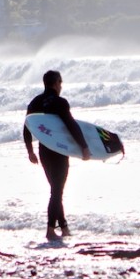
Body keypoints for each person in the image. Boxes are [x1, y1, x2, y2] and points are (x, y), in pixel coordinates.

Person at [23, 70, 91, 241]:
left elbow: (27, 127)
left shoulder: (35, 102)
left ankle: (64, 228)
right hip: (60, 151)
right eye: (60, 83)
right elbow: (70, 125)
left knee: (55, 190)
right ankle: (50, 230)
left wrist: (30, 150)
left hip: (44, 151)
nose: (61, 86)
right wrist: (83, 146)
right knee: (56, 191)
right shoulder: (60, 103)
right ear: (55, 83)